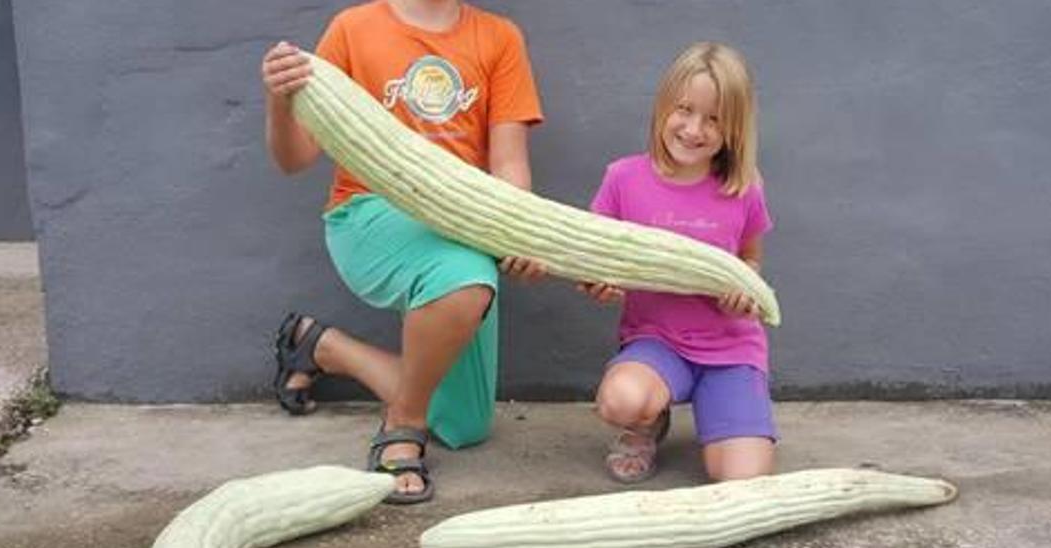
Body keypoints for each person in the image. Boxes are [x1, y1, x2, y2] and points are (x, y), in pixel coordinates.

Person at [259, 0, 546, 504]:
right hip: (368, 214)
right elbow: (295, 158)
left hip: (462, 224)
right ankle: (403, 423)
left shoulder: (500, 38)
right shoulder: (353, 29)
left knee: (465, 425)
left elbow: (508, 164)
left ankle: (323, 347)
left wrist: (520, 232)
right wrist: (280, 101)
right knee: (466, 278)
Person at [578, 42, 777, 484]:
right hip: (657, 343)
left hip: (729, 348)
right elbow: (592, 256)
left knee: (745, 484)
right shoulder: (623, 179)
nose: (693, 128)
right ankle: (647, 422)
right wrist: (596, 281)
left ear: (735, 128)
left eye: (713, 118)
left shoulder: (743, 189)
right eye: (684, 109)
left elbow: (750, 258)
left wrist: (744, 292)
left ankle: (729, 409)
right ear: (663, 106)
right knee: (622, 401)